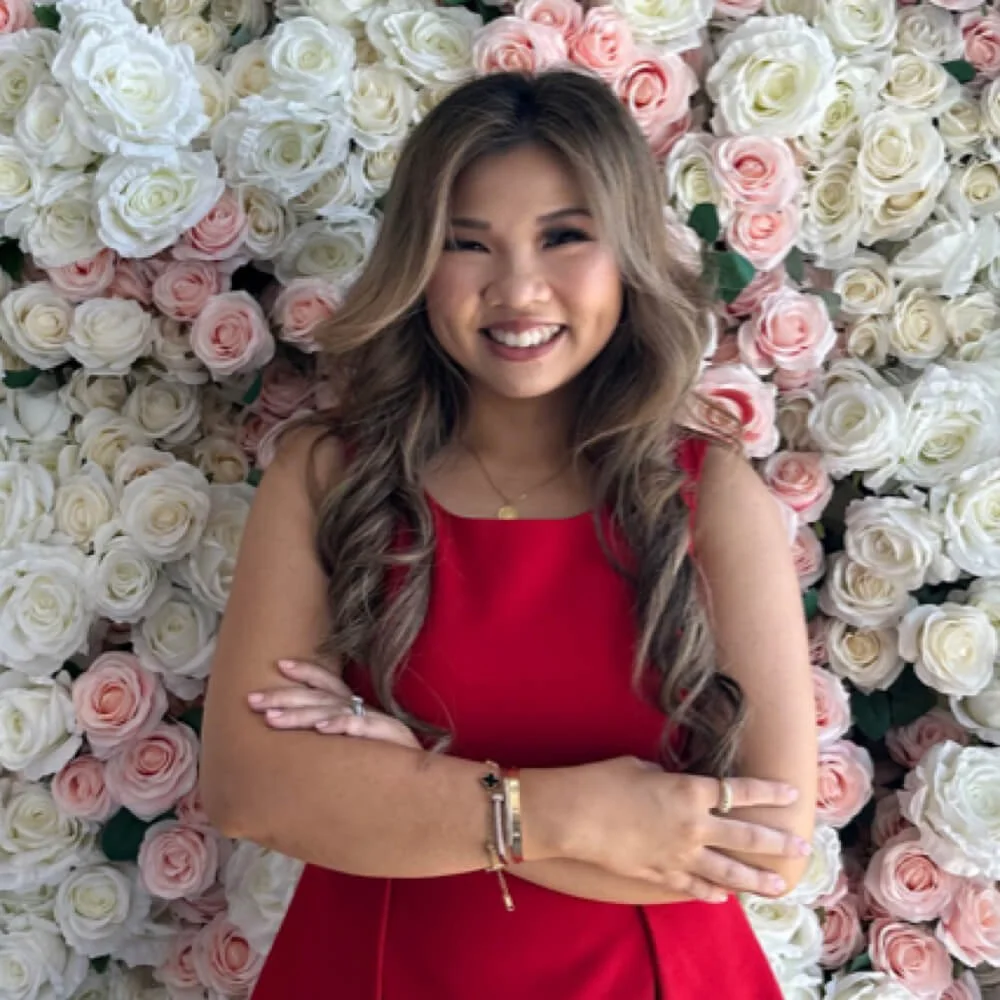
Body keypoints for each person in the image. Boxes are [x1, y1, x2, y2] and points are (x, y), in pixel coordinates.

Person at [201, 69, 818, 1000]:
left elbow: (766, 851)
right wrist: (568, 814)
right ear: (419, 261)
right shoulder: (328, 476)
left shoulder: (710, 495)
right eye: (468, 244)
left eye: (564, 237)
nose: (518, 288)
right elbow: (252, 789)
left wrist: (414, 790)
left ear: (627, 253)